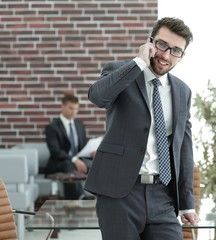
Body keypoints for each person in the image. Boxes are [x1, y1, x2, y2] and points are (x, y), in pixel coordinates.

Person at [84, 17, 199, 240]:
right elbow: (97, 97)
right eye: (162, 45)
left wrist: (186, 204)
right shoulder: (121, 72)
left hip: (162, 195)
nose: (165, 55)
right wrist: (138, 62)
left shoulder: (182, 91)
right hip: (119, 194)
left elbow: (183, 148)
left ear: (181, 57)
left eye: (175, 50)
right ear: (150, 42)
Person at [45, 94, 94, 200]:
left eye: (76, 108)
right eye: (71, 108)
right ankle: (80, 196)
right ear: (62, 106)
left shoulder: (79, 125)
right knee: (68, 164)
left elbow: (83, 146)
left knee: (96, 164)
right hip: (59, 163)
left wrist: (91, 152)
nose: (74, 112)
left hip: (79, 161)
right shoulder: (52, 127)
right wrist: (74, 159)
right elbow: (55, 151)